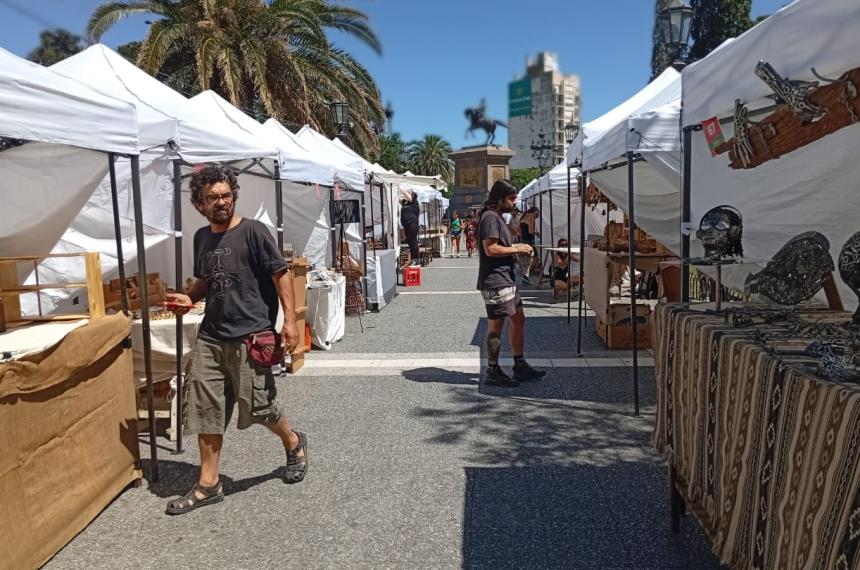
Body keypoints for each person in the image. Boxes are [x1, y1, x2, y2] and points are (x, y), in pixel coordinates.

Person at [163, 165, 306, 515]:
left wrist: (289, 322)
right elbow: (204, 281)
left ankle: (293, 441)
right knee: (206, 411)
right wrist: (189, 298)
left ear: (234, 196)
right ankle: (209, 484)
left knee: (259, 407)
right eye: (212, 198)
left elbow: (281, 274)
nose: (221, 202)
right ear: (200, 204)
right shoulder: (201, 238)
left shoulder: (254, 232)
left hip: (250, 336)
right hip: (211, 337)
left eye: (226, 195)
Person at [476, 179, 547, 387]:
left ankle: (519, 364)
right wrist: (518, 249)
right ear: (499, 199)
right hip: (495, 280)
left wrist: (517, 244)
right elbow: (491, 249)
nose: (515, 202)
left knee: (518, 319)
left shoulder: (496, 217)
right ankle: (493, 370)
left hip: (505, 278)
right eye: (511, 198)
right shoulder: (489, 217)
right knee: (496, 326)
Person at [518, 207, 540, 284]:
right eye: (537, 214)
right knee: (536, 258)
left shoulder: (523, 217)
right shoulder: (531, 217)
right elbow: (531, 231)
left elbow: (519, 230)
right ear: (534, 212)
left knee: (527, 260)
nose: (537, 216)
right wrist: (536, 233)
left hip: (523, 240)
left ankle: (525, 276)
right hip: (529, 241)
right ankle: (526, 275)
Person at [400, 191, 420, 265]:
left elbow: (407, 195)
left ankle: (417, 259)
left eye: (410, 194)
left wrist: (399, 187)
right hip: (406, 225)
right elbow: (397, 198)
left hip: (412, 224)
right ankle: (413, 259)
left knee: (413, 242)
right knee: (410, 242)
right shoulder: (406, 203)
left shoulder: (414, 202)